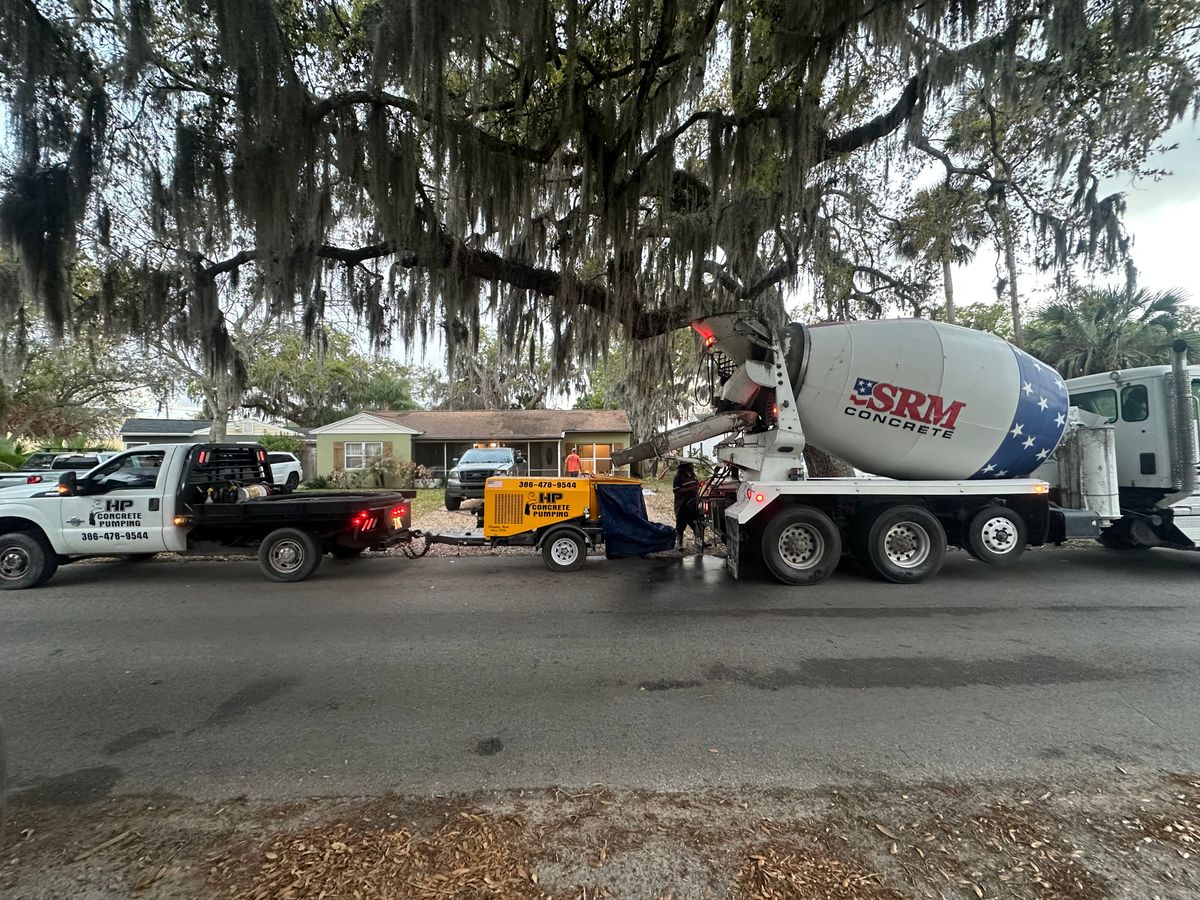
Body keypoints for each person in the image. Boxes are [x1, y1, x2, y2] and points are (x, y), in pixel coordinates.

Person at [672, 461, 702, 551]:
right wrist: (691, 488)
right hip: (682, 505)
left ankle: (699, 542)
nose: (692, 466)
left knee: (696, 524)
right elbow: (676, 490)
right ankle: (679, 543)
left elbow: (696, 487)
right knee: (680, 525)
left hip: (693, 504)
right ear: (684, 467)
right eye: (690, 465)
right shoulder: (678, 477)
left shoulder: (693, 475)